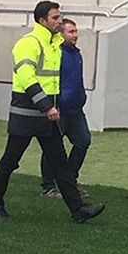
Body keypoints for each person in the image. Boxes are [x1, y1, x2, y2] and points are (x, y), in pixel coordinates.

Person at [0, 1, 105, 223]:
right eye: (55, 18)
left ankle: (78, 210)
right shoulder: (28, 43)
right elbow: (26, 76)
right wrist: (47, 106)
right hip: (28, 113)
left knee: (59, 163)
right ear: (42, 20)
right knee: (10, 161)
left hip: (47, 115)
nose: (60, 21)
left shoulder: (54, 44)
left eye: (60, 17)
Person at [39, 17, 91, 198]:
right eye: (71, 32)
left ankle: (68, 181)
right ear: (61, 34)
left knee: (83, 141)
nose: (75, 35)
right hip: (59, 110)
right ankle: (49, 185)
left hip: (76, 110)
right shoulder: (57, 54)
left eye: (76, 31)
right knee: (52, 148)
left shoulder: (77, 54)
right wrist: (52, 105)